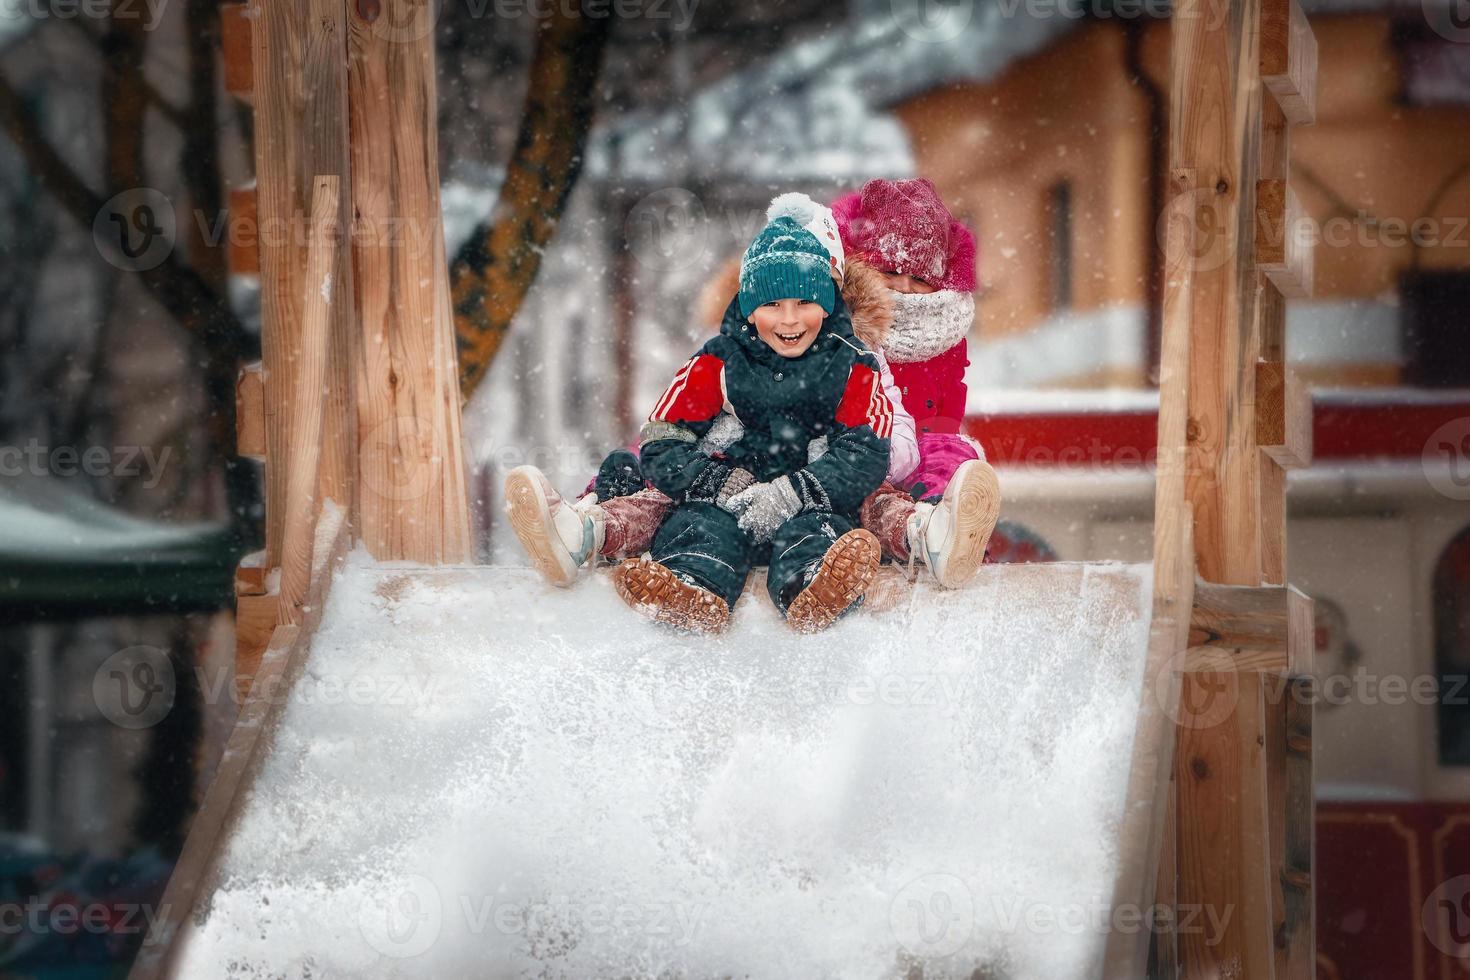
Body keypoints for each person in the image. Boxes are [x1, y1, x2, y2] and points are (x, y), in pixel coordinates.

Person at [595, 210, 896, 633]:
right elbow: (663, 435)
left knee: (818, 534)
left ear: (827, 307)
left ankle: (814, 588)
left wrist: (795, 492)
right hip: (729, 498)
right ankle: (691, 587)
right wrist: (714, 482)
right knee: (698, 528)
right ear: (750, 311)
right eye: (772, 304)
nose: (789, 319)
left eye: (805, 303)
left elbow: (867, 451)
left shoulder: (852, 365)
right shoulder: (719, 359)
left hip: (811, 501)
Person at [832, 177, 1001, 588]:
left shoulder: (945, 327)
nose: (906, 287)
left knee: (951, 454)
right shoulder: (843, 322)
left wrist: (941, 450)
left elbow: (948, 401)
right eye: (890, 271)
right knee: (869, 487)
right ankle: (911, 534)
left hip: (923, 443)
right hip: (864, 443)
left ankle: (949, 526)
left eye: (921, 278)